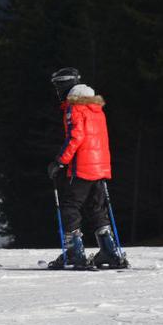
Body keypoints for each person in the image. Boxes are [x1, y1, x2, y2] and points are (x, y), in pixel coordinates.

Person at [46, 68, 126, 269]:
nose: (57, 91)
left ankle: (75, 252)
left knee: (70, 206)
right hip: (100, 166)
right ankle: (109, 251)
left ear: (66, 85)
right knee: (96, 207)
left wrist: (60, 161)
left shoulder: (74, 108)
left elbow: (76, 137)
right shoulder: (95, 107)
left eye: (58, 85)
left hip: (82, 166)